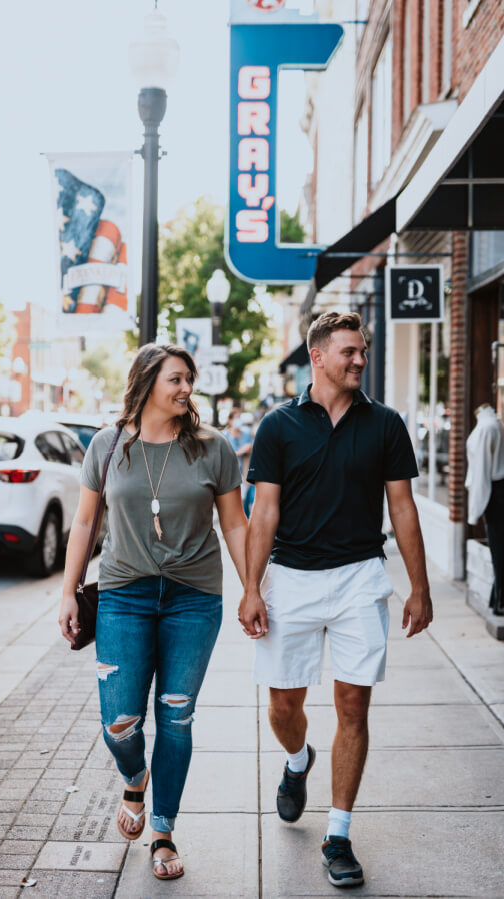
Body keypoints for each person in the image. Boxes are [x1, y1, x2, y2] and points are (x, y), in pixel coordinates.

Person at [239, 311, 432, 889]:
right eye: (348, 350)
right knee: (282, 707)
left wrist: (418, 586)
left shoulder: (385, 425)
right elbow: (263, 511)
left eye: (363, 350)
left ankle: (339, 834)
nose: (359, 359)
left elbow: (402, 508)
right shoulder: (278, 426)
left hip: (358, 578)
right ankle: (298, 761)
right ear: (316, 356)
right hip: (291, 579)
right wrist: (251, 587)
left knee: (354, 706)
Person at [59, 343, 247, 881]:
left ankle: (162, 831)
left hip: (194, 598)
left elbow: (234, 524)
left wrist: (251, 587)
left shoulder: (214, 448)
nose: (187, 388)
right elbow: (84, 523)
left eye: (189, 379)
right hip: (124, 594)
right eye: (176, 379)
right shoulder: (107, 444)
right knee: (119, 723)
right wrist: (68, 591)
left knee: (176, 717)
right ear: (145, 384)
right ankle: (135, 779)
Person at [465, 403, 504, 614]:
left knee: (498, 548)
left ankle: (500, 601)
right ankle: (496, 599)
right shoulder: (493, 423)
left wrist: (474, 511)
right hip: (496, 491)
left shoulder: (487, 427)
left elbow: (481, 473)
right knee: (498, 547)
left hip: (494, 494)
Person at [223, 408, 254, 515]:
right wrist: (239, 452)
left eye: (240, 418)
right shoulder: (224, 436)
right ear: (230, 420)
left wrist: (248, 449)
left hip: (244, 473)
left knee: (245, 501)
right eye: (236, 418)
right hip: (229, 474)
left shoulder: (246, 433)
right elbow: (222, 454)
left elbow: (252, 448)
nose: (239, 420)